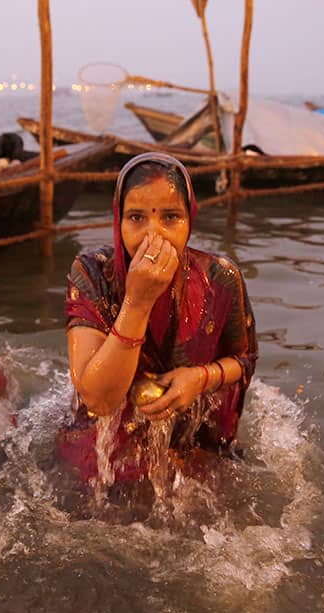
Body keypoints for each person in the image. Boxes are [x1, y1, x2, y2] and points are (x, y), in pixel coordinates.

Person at [59, 152, 257, 485]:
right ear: (118, 221)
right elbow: (98, 398)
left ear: (189, 220)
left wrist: (199, 378)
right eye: (136, 217)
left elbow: (245, 359)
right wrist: (138, 300)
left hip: (188, 439)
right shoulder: (92, 273)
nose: (155, 236)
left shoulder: (220, 278)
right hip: (107, 445)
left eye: (171, 217)